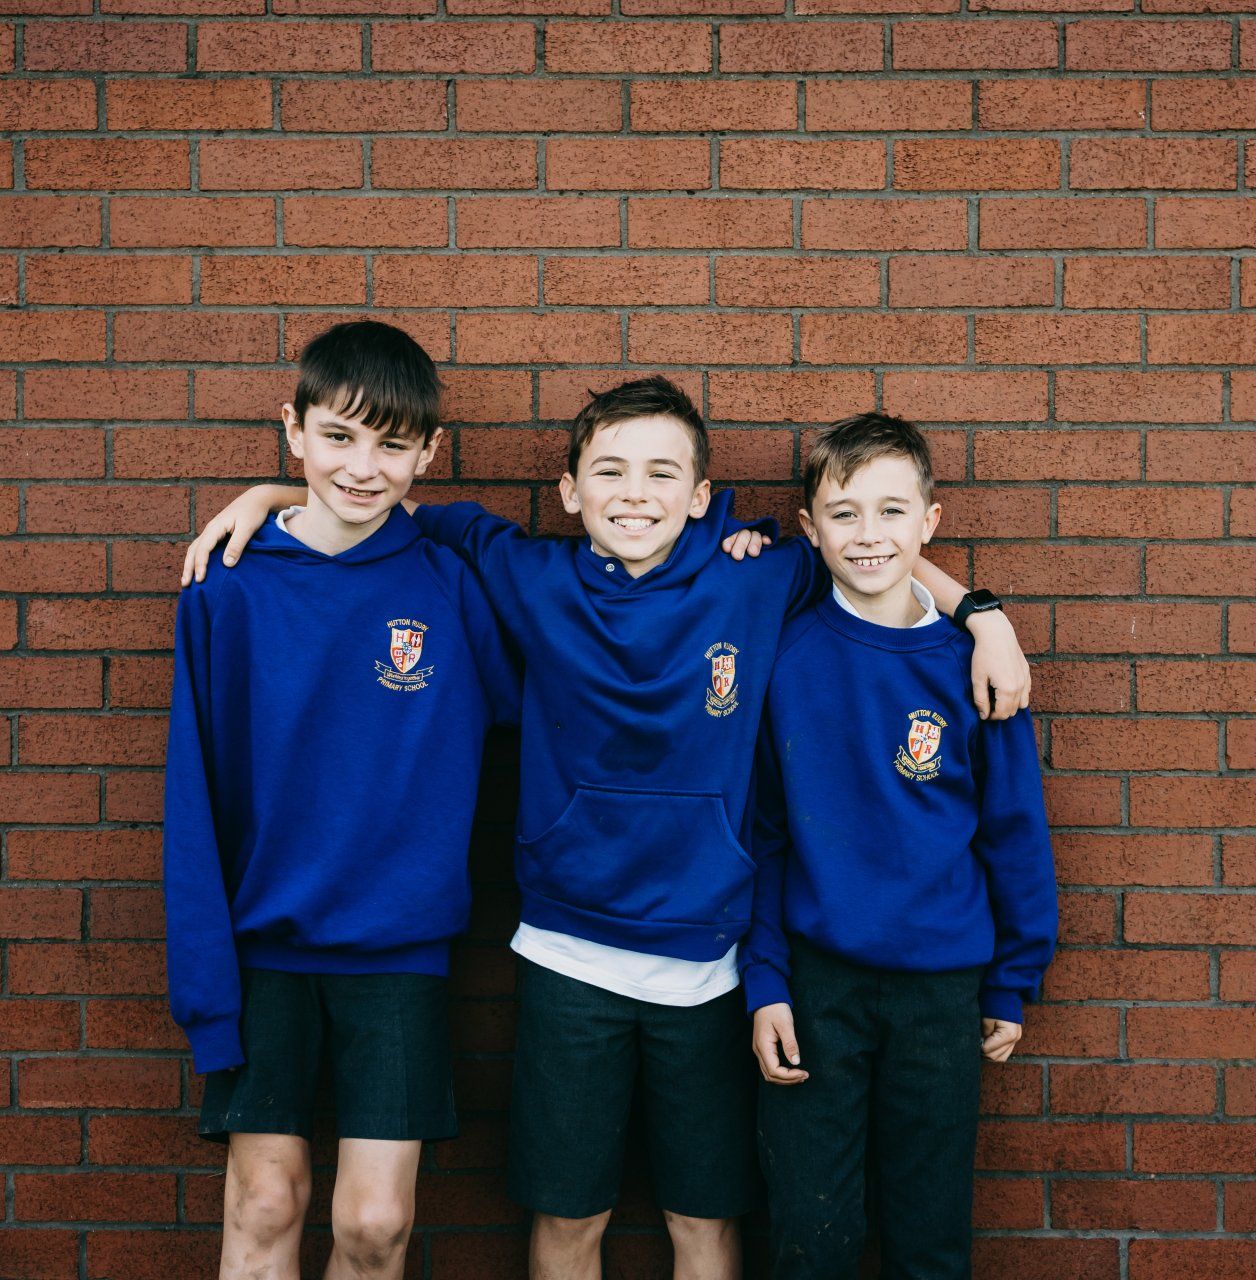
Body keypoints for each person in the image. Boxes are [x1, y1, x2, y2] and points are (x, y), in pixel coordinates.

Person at [183, 378, 1030, 1280]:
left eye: (662, 473)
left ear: (700, 497)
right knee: (567, 1221)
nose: (634, 493)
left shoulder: (756, 575)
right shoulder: (528, 574)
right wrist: (271, 494)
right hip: (567, 951)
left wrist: (980, 616)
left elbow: (868, 554)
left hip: (709, 961)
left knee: (704, 1224)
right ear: (568, 490)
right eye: (610, 471)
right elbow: (386, 504)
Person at [163, 320, 517, 1280]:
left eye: (392, 445)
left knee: (374, 1225)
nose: (363, 467)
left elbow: (564, 693)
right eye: (338, 438)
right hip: (263, 951)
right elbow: (193, 800)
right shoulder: (226, 590)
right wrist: (207, 993)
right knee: (265, 1203)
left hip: (398, 951)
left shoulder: (452, 586)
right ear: (294, 428)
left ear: (429, 453)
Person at [742, 413, 1059, 1280]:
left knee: (929, 1233)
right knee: (811, 1233)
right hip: (816, 981)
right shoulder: (788, 653)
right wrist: (765, 980)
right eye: (843, 513)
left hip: (941, 988)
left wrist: (1012, 977)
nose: (868, 534)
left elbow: (1014, 832)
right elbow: (764, 832)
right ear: (810, 529)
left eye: (892, 511)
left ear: (930, 521)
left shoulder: (976, 665)